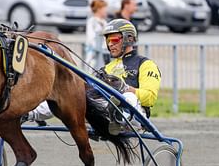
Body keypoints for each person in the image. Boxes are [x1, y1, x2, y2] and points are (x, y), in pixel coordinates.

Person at [24, 19, 161, 133]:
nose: (110, 44)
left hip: (135, 115)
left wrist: (124, 88)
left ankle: (118, 120)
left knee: (127, 97)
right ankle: (27, 114)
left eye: (114, 40)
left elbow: (150, 98)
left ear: (129, 39)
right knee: (66, 96)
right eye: (108, 41)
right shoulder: (107, 68)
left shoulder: (146, 64)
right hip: (104, 110)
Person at [85, 0, 108, 69]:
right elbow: (90, 37)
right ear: (99, 9)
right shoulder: (91, 21)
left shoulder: (104, 22)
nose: (106, 11)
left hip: (103, 53)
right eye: (104, 8)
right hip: (93, 53)